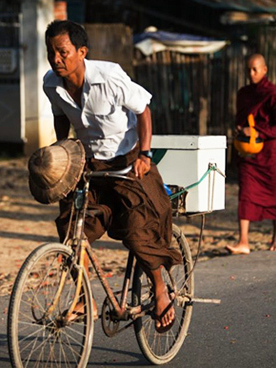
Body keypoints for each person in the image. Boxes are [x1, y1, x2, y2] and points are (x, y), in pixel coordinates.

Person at [42, 20, 181, 332]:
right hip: (90, 166)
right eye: (51, 53)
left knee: (138, 230)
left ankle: (160, 289)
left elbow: (143, 108)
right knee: (71, 228)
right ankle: (83, 296)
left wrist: (145, 155)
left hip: (131, 162)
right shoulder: (50, 83)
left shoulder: (109, 77)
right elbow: (61, 117)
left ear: (81, 52)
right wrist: (63, 153)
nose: (56, 59)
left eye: (62, 52)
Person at [225, 54, 276, 255]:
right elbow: (241, 118)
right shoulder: (244, 93)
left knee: (275, 194)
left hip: (272, 153)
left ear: (264, 70)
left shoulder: (273, 94)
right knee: (245, 193)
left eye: (255, 69)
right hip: (250, 153)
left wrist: (259, 132)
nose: (251, 74)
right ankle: (243, 240)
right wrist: (240, 129)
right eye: (248, 70)